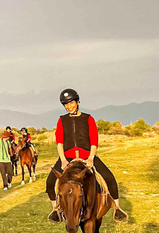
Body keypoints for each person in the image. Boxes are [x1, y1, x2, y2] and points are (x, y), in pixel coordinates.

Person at [46, 88, 128, 223]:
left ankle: (117, 208)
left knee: (109, 178)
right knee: (50, 182)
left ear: (77, 102)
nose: (69, 106)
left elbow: (94, 141)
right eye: (66, 104)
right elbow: (59, 142)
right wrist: (63, 160)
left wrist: (91, 158)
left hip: (87, 156)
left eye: (71, 103)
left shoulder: (88, 119)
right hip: (68, 157)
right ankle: (56, 210)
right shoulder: (62, 121)